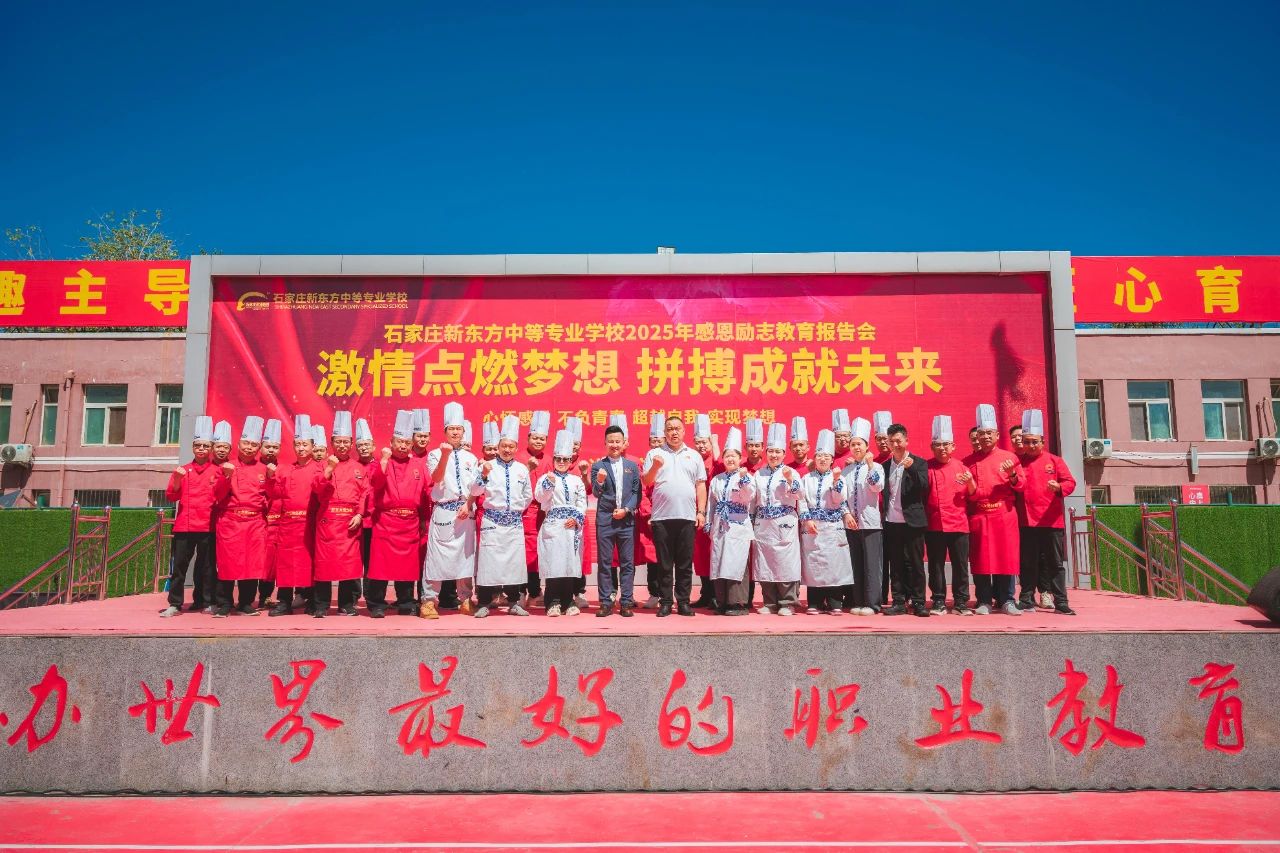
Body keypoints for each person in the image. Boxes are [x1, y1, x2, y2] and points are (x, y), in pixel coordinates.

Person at [642, 414, 708, 617]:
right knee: (664, 564)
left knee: (684, 563)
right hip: (661, 517)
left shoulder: (694, 455)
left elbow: (700, 485)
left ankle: (683, 602)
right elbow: (646, 481)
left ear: (684, 431)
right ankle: (665, 602)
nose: (674, 432)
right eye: (669, 429)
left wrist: (701, 512)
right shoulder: (654, 453)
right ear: (664, 433)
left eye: (677, 428)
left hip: (687, 517)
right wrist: (655, 466)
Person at [365, 411, 430, 618]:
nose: (403, 446)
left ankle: (406, 602)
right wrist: (384, 460)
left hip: (410, 523)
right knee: (379, 566)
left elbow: (426, 493)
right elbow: (375, 484)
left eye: (406, 443)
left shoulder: (418, 466)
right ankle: (376, 603)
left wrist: (424, 519)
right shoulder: (380, 462)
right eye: (399, 442)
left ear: (411, 444)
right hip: (385, 522)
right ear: (391, 442)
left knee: (407, 567)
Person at [420, 402, 479, 618]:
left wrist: (468, 504)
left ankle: (465, 599)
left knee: (466, 557)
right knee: (436, 557)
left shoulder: (471, 458)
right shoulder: (435, 454)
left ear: (464, 431)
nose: (455, 432)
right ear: (445, 431)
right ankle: (428, 600)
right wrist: (445, 455)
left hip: (465, 510)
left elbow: (476, 486)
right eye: (451, 429)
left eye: (458, 429)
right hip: (444, 510)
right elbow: (436, 479)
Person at [1016, 409, 1078, 615]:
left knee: (1055, 564)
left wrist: (1059, 487)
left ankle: (1061, 601)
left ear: (1042, 441)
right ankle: (1026, 598)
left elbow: (1070, 482)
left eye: (1035, 442)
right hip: (1026, 521)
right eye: (1027, 442)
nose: (1031, 445)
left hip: (1051, 521)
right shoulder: (1018, 462)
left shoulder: (1055, 461)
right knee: (1027, 562)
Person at [472, 415, 534, 617]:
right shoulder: (487, 466)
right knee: (488, 564)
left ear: (516, 448)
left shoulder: (521, 469)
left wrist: (514, 510)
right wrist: (483, 475)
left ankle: (514, 602)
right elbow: (474, 491)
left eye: (511, 446)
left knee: (514, 564)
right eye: (504, 446)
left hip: (513, 522)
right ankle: (483, 602)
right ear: (498, 447)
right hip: (492, 521)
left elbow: (527, 495)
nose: (507, 449)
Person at [966, 404, 1025, 615]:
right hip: (980, 516)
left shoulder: (1009, 458)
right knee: (981, 559)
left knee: (1005, 557)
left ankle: (1007, 599)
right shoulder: (968, 462)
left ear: (997, 435)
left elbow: (1021, 485)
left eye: (989, 433)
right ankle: (983, 600)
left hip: (1004, 515)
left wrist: (1012, 475)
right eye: (981, 433)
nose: (985, 437)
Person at [158, 415, 219, 617]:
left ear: (211, 448)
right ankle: (175, 603)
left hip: (208, 526)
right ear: (193, 448)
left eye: (205, 446)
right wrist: (177, 479)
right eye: (198, 445)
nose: (201, 449)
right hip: (184, 526)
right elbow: (171, 496)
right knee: (179, 567)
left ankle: (207, 601)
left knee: (208, 567)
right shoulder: (183, 470)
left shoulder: (217, 471)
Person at [211, 416, 270, 618]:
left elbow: (270, 497)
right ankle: (224, 603)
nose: (249, 448)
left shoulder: (263, 470)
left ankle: (246, 603)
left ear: (259, 447)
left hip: (255, 523)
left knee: (252, 564)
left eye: (254, 444)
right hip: (231, 522)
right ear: (238, 444)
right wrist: (226, 477)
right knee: (227, 563)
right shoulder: (226, 467)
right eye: (246, 443)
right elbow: (217, 496)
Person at [312, 412, 368, 617]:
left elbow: (365, 493)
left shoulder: (359, 468)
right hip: (327, 520)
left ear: (351, 443)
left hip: (349, 521)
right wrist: (329, 468)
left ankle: (346, 604)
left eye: (346, 442)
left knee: (349, 565)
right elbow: (316, 487)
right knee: (324, 564)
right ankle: (321, 605)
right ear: (332, 442)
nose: (342, 445)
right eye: (338, 441)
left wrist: (360, 515)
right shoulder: (321, 465)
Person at [266, 415, 318, 616]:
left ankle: (312, 601)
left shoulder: (319, 469)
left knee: (309, 563)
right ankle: (284, 602)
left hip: (309, 524)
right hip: (287, 524)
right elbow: (274, 494)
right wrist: (270, 479)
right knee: (285, 563)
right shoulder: (284, 470)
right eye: (298, 444)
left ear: (312, 446)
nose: (301, 448)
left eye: (305, 444)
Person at [799, 429, 853, 614]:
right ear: (814, 459)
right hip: (813, 526)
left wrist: (836, 481)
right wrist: (807, 520)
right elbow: (801, 500)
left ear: (832, 460)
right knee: (814, 563)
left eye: (826, 456)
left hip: (832, 527)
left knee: (834, 563)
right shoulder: (806, 479)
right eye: (819, 456)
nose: (822, 459)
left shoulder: (839, 478)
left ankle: (834, 601)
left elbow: (839, 500)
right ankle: (814, 602)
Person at [535, 430, 588, 616]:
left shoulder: (576, 480)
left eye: (565, 459)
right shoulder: (546, 477)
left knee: (569, 564)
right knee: (554, 564)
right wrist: (548, 484)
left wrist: (576, 518)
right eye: (558, 458)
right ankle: (553, 602)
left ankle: (568, 601)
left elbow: (582, 502)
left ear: (571, 460)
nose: (562, 462)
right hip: (553, 525)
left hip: (572, 527)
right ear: (554, 459)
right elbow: (540, 498)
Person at [752, 422, 802, 615]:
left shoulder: (790, 472)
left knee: (785, 561)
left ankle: (787, 602)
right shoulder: (759, 473)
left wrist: (790, 480)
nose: (774, 455)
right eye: (771, 451)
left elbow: (799, 495)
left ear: (784, 453)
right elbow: (753, 499)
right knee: (765, 561)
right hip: (763, 523)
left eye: (778, 452)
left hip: (784, 522)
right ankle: (770, 602)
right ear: (766, 452)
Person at [591, 423, 641, 617]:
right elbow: (596, 493)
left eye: (617, 441)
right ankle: (605, 602)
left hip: (626, 521)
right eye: (610, 441)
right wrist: (600, 480)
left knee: (627, 563)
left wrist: (626, 510)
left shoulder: (631, 466)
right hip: (606, 520)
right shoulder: (598, 466)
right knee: (605, 563)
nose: (614, 445)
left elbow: (636, 493)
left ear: (624, 443)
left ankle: (626, 602)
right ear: (605, 443)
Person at [704, 427, 755, 616]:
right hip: (720, 525)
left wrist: (742, 482)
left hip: (738, 525)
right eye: (727, 456)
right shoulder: (717, 479)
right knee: (719, 561)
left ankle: (738, 603)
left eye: (733, 456)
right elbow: (711, 503)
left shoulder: (747, 478)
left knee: (737, 562)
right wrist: (709, 523)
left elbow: (748, 497)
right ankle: (722, 601)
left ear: (740, 458)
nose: (730, 459)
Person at [882, 422, 931, 617]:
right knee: (896, 564)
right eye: (892, 441)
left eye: (899, 440)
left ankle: (919, 602)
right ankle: (899, 601)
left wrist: (911, 469)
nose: (896, 444)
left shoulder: (919, 463)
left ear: (906, 441)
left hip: (913, 522)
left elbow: (924, 486)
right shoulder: (885, 466)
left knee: (916, 564)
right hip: (891, 521)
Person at [925, 415, 972, 615]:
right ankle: (938, 600)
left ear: (953, 446)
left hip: (959, 523)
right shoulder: (926, 468)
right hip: (934, 523)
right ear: (932, 447)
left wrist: (970, 482)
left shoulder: (962, 467)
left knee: (960, 564)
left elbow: (972, 494)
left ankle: (961, 601)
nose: (942, 448)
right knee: (935, 565)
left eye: (946, 444)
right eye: (938, 445)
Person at [840, 417, 884, 615]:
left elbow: (877, 486)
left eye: (860, 444)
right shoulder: (846, 471)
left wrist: (871, 465)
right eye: (853, 444)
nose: (856, 447)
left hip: (870, 523)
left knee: (872, 565)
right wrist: (846, 514)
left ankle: (873, 603)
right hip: (851, 524)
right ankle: (858, 601)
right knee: (856, 564)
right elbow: (841, 497)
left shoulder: (876, 467)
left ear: (867, 446)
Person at [518, 410, 552, 608]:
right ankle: (519, 592)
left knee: (537, 554)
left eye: (542, 438)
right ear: (528, 438)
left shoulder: (549, 460)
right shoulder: (518, 457)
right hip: (521, 512)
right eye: (535, 438)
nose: (538, 441)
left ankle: (535, 591)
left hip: (541, 514)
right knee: (521, 554)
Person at [691, 413, 722, 610]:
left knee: (714, 553)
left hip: (716, 513)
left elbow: (721, 466)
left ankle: (716, 594)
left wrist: (716, 445)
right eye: (698, 442)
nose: (701, 446)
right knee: (700, 555)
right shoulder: (692, 459)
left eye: (705, 442)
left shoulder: (717, 460)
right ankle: (705, 593)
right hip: (697, 512)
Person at [639, 415, 667, 608]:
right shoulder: (646, 462)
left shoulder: (672, 460)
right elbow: (642, 491)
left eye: (660, 441)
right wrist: (649, 514)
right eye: (653, 441)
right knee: (653, 558)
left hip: (669, 513)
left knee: (669, 556)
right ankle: (654, 593)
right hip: (651, 516)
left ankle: (668, 594)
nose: (656, 444)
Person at [256, 418, 284, 609]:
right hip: (258, 522)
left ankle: (268, 596)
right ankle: (248, 597)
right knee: (258, 560)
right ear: (261, 448)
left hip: (279, 523)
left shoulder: (284, 469)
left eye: (275, 447)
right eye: (268, 447)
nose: (271, 450)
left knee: (274, 563)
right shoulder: (253, 468)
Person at [871, 410, 893, 605]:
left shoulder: (902, 461)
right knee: (880, 559)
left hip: (896, 517)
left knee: (899, 559)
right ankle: (881, 595)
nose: (883, 442)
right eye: (879, 438)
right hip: (876, 517)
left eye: (886, 438)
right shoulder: (872, 463)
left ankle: (902, 598)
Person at [355, 417, 377, 600]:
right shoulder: (352, 467)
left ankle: (371, 596)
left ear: (373, 446)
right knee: (355, 558)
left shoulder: (380, 466)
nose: (363, 448)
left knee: (371, 559)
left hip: (374, 521)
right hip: (354, 520)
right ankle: (353, 596)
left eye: (366, 445)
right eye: (360, 445)